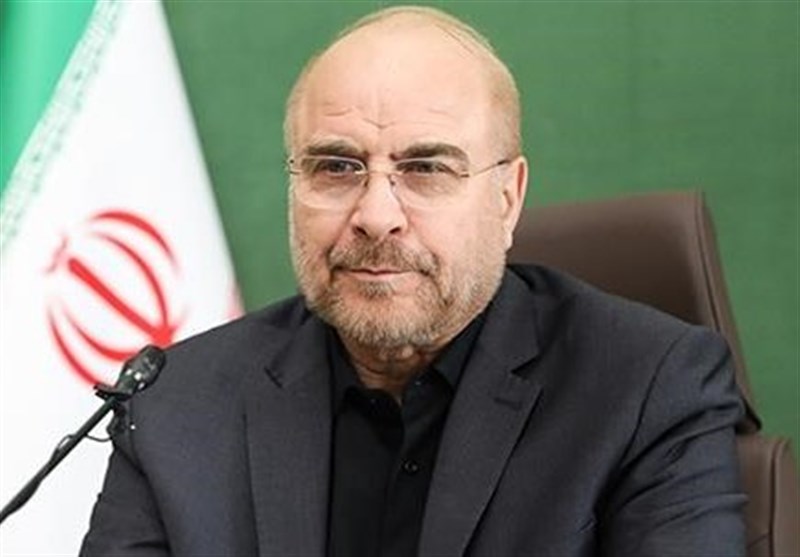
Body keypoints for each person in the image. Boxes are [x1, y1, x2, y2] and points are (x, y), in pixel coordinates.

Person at [80, 6, 746, 556]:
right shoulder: (177, 406)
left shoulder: (648, 389)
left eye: (427, 169)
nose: (376, 215)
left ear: (507, 199)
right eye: (336, 167)